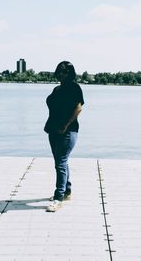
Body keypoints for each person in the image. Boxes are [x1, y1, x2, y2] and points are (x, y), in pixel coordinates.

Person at [44, 61, 84, 212]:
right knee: (61, 161)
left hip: (68, 131)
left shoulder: (74, 87)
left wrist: (65, 125)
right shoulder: (57, 89)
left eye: (64, 72)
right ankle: (67, 191)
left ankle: (58, 198)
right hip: (53, 130)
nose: (61, 74)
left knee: (60, 162)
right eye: (59, 71)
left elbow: (78, 108)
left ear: (70, 73)